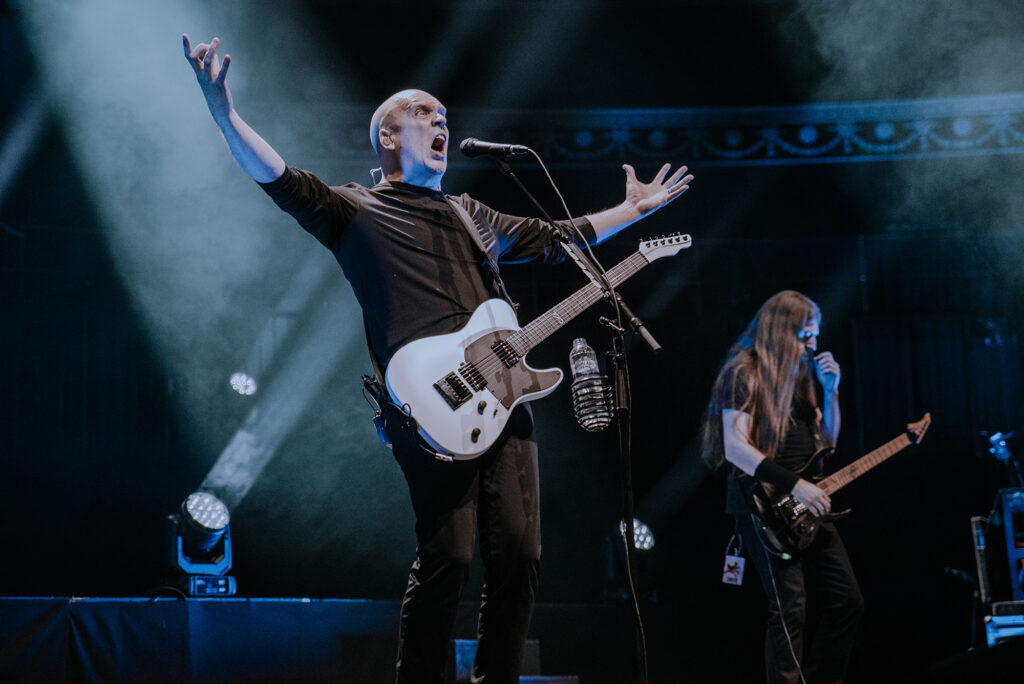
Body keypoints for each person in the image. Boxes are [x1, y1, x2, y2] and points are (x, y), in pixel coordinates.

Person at [183, 35, 693, 684]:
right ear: (389, 137)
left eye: (445, 117)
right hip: (426, 404)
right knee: (449, 554)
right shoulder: (355, 209)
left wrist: (633, 209)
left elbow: (557, 237)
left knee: (522, 550)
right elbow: (282, 181)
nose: (442, 122)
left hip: (504, 398)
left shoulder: (471, 212)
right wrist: (225, 112)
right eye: (426, 114)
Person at [700, 291, 863, 684]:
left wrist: (832, 390)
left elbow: (829, 441)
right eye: (805, 335)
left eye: (815, 336)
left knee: (848, 601)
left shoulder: (802, 375)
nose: (813, 346)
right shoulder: (744, 372)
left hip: (806, 502)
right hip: (764, 505)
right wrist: (798, 486)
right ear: (780, 331)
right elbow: (736, 448)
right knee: (790, 608)